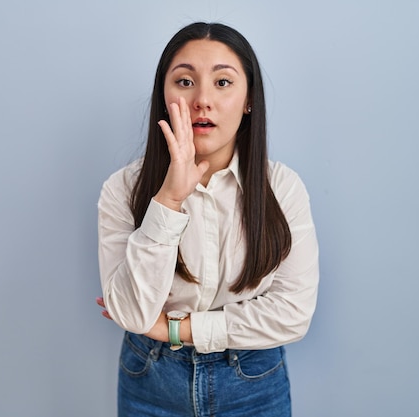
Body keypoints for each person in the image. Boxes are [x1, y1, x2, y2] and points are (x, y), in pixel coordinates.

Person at [96, 21, 319, 416]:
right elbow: (132, 315)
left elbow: (293, 314)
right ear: (164, 96)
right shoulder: (123, 188)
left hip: (252, 380)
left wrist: (176, 330)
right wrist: (169, 198)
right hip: (150, 378)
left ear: (249, 99)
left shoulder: (282, 188)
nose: (202, 100)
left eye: (222, 83)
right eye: (185, 82)